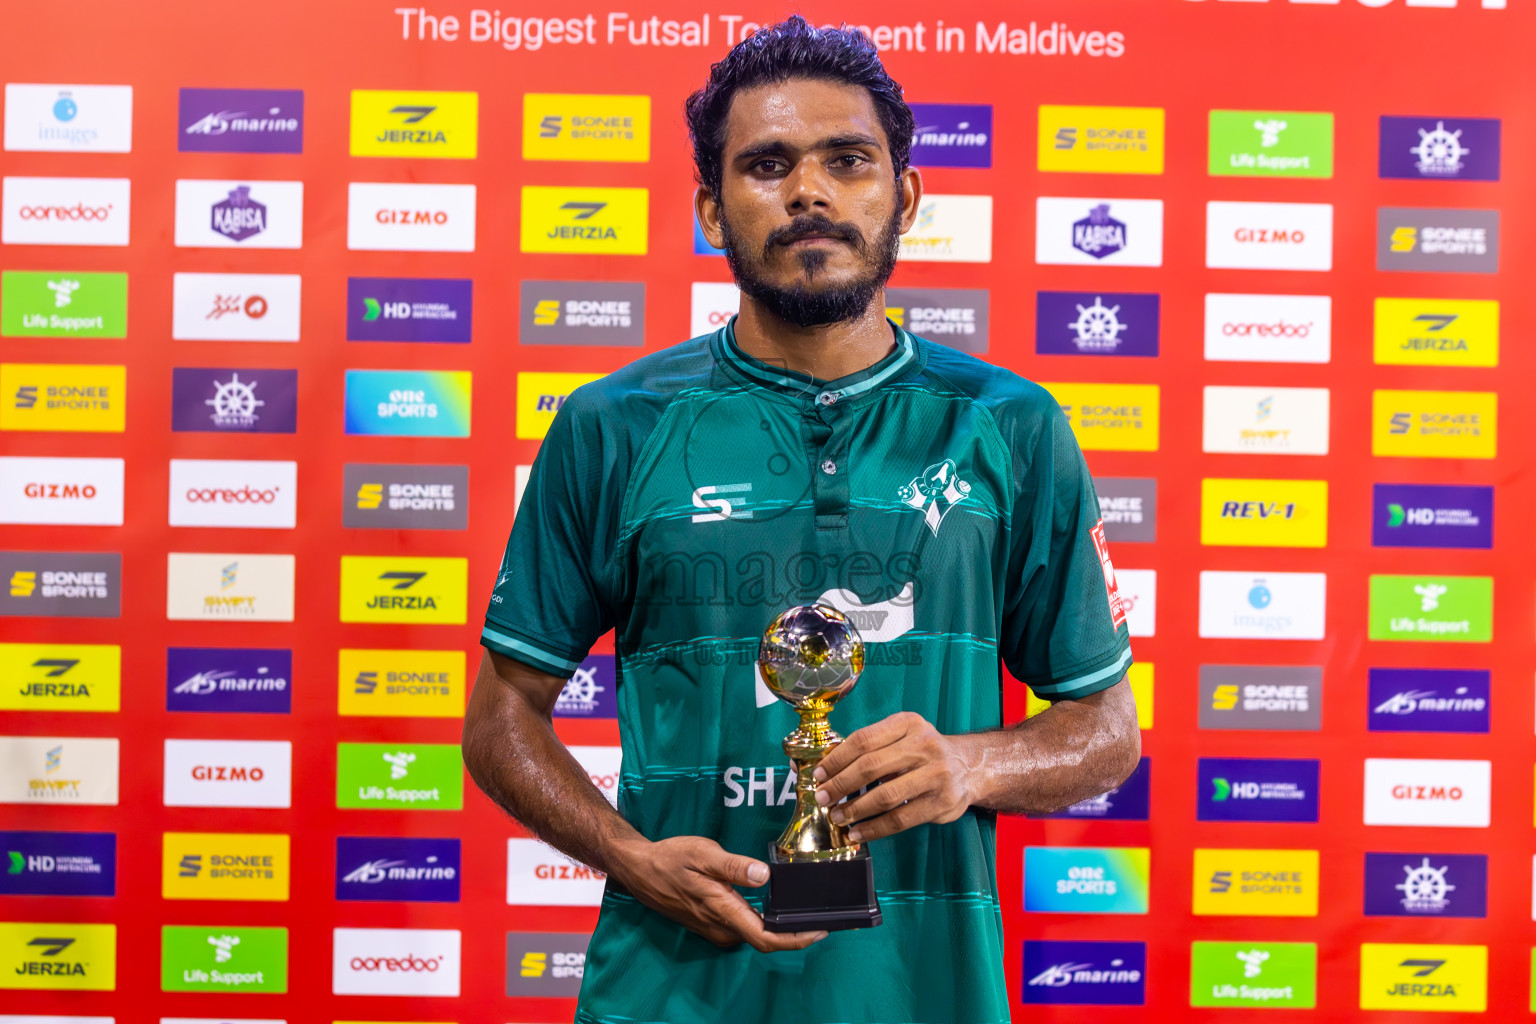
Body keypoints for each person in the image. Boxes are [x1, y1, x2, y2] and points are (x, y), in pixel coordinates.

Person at [463, 15, 1141, 1024]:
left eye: (849, 161)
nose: (810, 192)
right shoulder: (612, 426)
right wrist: (629, 855)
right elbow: (497, 718)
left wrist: (972, 763)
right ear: (710, 207)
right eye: (767, 164)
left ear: (904, 196)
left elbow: (1106, 730)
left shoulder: (1007, 425)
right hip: (669, 992)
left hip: (925, 992)